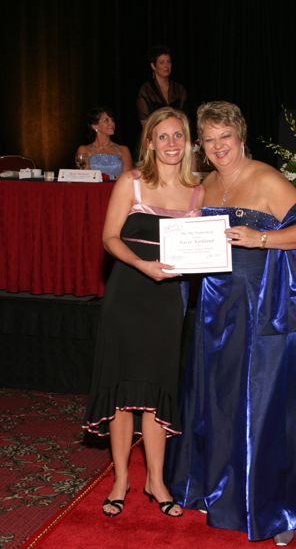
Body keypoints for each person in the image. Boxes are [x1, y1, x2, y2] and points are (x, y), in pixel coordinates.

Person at [165, 101, 296, 546]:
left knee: (267, 405)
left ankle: (280, 507)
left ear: (240, 135)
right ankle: (221, 489)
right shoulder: (207, 183)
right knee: (220, 400)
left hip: (260, 308)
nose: (217, 147)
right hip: (214, 308)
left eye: (224, 137)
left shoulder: (266, 177)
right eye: (208, 140)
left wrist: (261, 238)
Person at [83, 106, 204, 519]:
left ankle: (157, 480)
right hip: (128, 294)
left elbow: (204, 247)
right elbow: (110, 239)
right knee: (121, 393)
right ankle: (121, 480)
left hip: (168, 300)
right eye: (163, 136)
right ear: (149, 142)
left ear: (187, 142)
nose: (171, 144)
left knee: (155, 392)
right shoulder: (130, 182)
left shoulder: (198, 190)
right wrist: (143, 266)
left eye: (178, 136)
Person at [76, 106, 133, 180]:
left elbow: (128, 178)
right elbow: (84, 177)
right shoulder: (84, 149)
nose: (112, 124)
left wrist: (108, 177)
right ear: (95, 126)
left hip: (118, 190)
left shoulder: (123, 150)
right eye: (106, 120)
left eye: (112, 120)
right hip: (94, 190)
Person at [137, 45, 188, 126]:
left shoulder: (179, 89)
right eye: (162, 62)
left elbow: (185, 118)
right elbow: (145, 123)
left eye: (168, 62)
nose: (166, 66)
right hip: (154, 135)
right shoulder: (146, 90)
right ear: (153, 66)